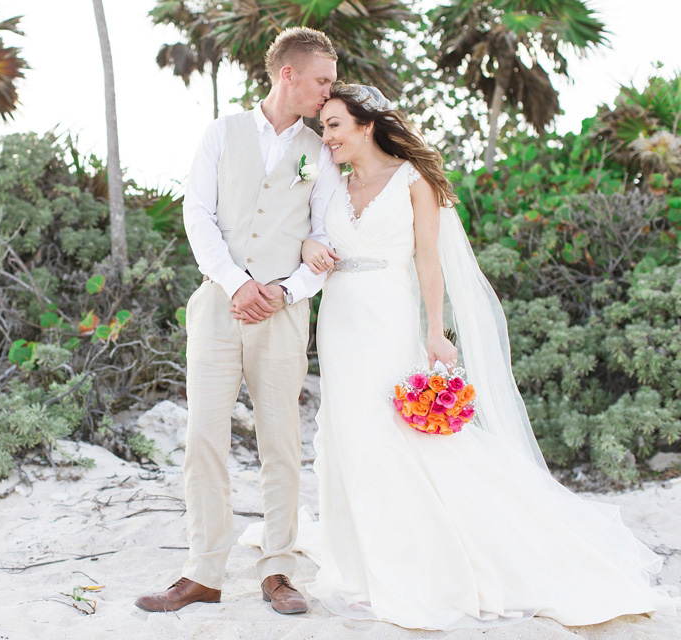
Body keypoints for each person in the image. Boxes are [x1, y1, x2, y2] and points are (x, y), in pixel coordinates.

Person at [242, 82, 675, 629]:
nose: (324, 136)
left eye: (333, 125)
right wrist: (308, 246)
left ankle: (416, 560)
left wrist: (435, 331)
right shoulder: (333, 182)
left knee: (393, 434)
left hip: (389, 317)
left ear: (367, 125)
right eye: (323, 126)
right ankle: (363, 565)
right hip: (340, 320)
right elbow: (311, 234)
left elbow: (429, 260)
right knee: (347, 432)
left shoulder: (412, 180)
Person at [134, 27, 340, 615]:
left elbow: (324, 238)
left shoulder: (322, 151)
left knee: (281, 440)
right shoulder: (222, 133)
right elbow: (196, 212)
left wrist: (283, 289)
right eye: (322, 79)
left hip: (283, 313)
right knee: (204, 437)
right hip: (218, 305)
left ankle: (278, 569)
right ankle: (202, 572)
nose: (330, 90)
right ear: (288, 75)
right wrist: (236, 283)